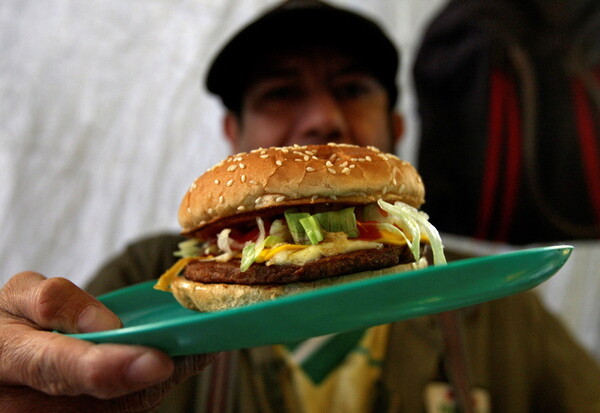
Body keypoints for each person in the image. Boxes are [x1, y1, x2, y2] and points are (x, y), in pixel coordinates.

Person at [0, 1, 599, 412]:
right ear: (232, 134)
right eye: (282, 92)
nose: (322, 118)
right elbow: (60, 369)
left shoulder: (495, 304)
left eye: (352, 88)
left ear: (395, 125)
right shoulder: (145, 278)